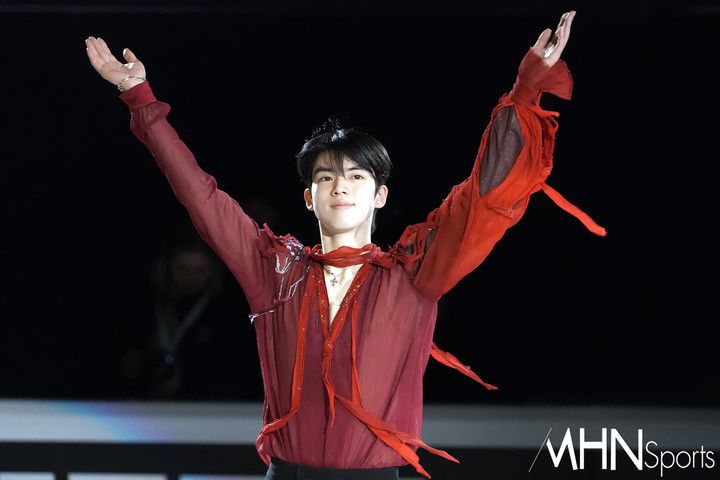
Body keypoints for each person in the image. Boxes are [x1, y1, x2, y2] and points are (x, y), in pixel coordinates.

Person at [85, 9, 604, 479]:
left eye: (356, 176)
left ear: (380, 195)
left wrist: (526, 91)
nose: (340, 186)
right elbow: (202, 198)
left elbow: (481, 199)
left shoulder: (413, 275)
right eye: (326, 177)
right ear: (308, 197)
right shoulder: (274, 272)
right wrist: (140, 98)